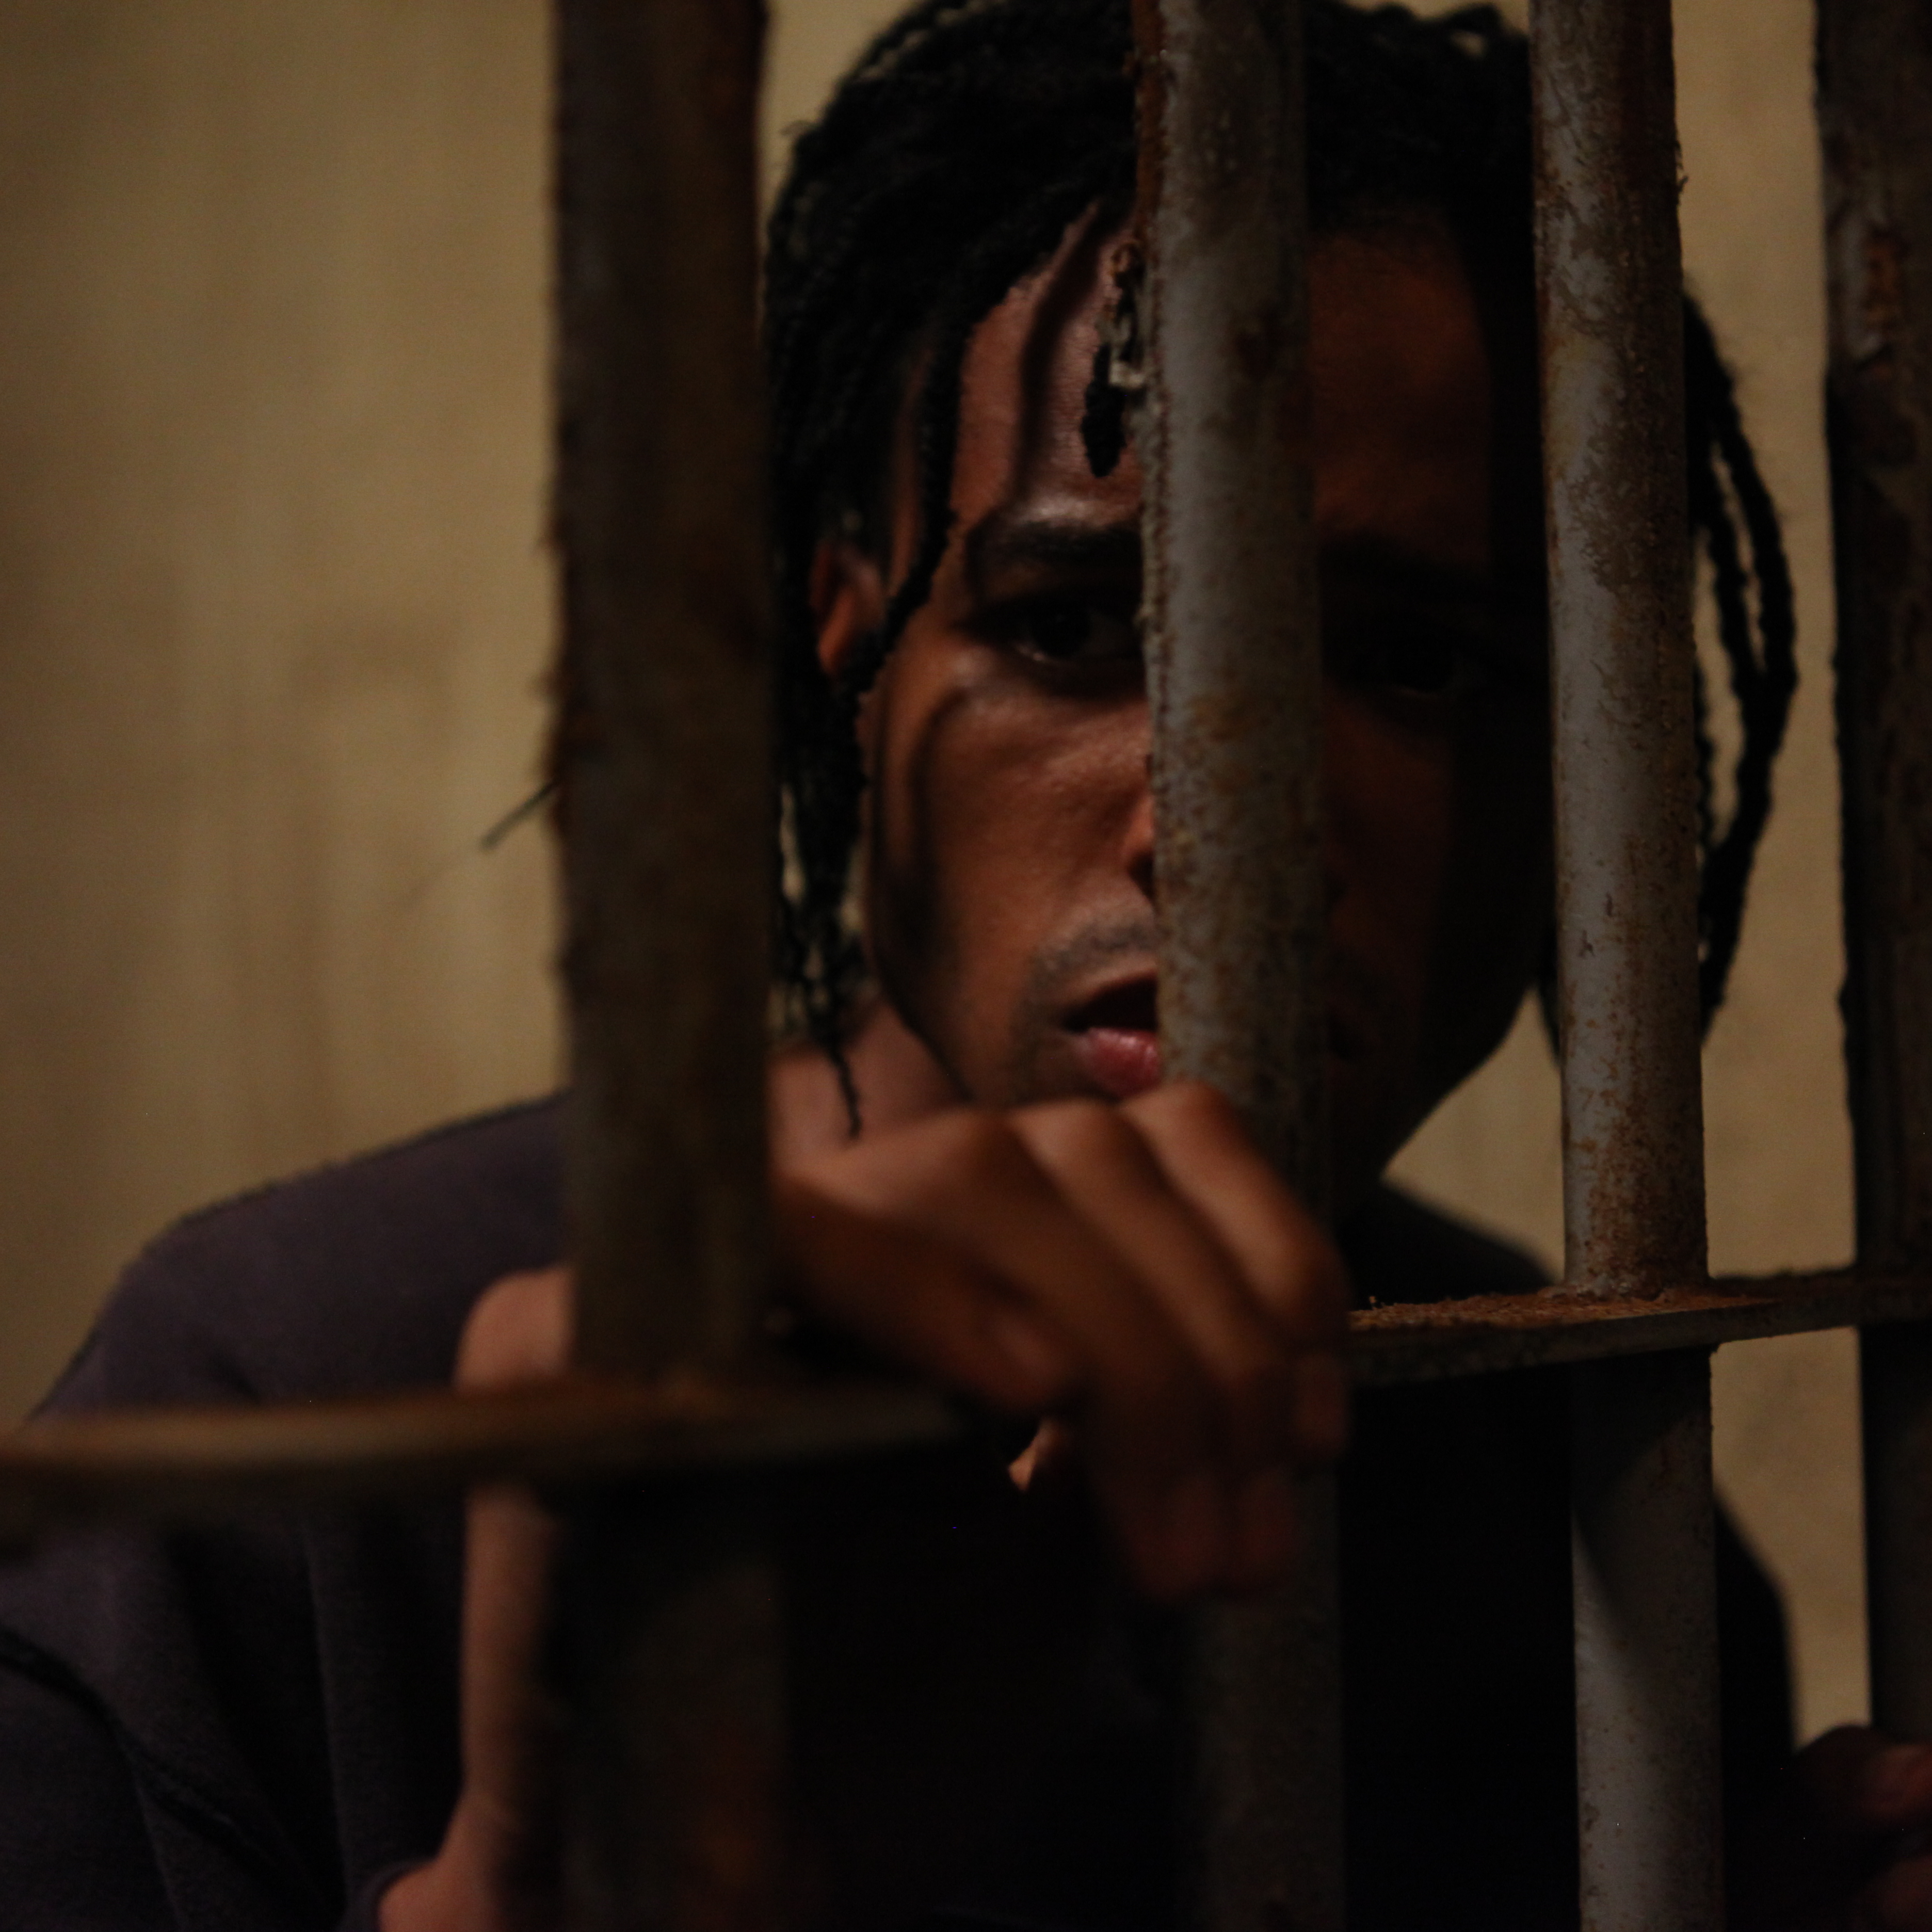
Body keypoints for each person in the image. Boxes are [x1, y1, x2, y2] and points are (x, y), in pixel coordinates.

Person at [1, 2, 1926, 1927]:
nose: (1228, 831)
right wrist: (552, 1886)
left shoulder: (1585, 1492)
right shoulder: (280, 1412)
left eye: (1418, 664)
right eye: (1072, 627)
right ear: (851, 657)